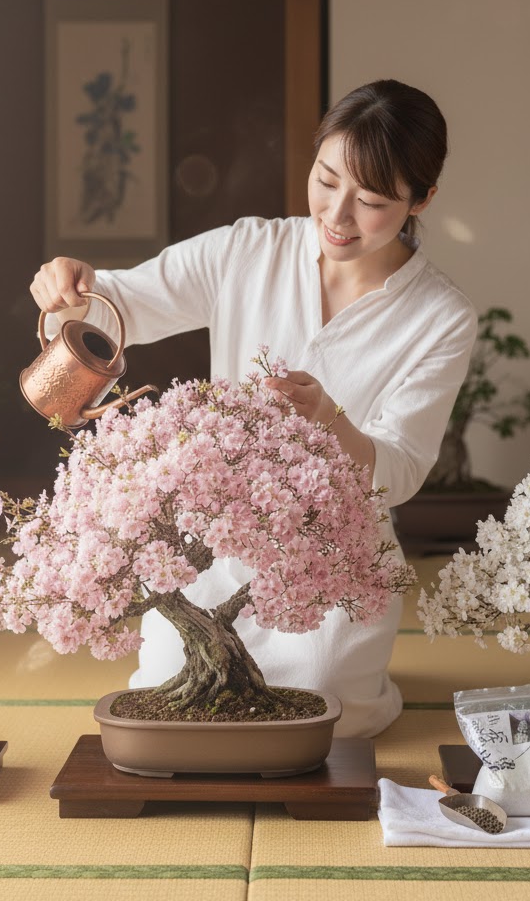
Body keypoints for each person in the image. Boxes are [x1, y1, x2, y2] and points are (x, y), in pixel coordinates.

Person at [29, 78, 477, 737]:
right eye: (326, 181)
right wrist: (67, 284)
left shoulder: (441, 316)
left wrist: (330, 419)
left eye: (373, 201)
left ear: (422, 199)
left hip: (336, 556)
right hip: (214, 542)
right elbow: (121, 302)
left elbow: (402, 470)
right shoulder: (248, 250)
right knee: (167, 692)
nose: (339, 216)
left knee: (323, 705)